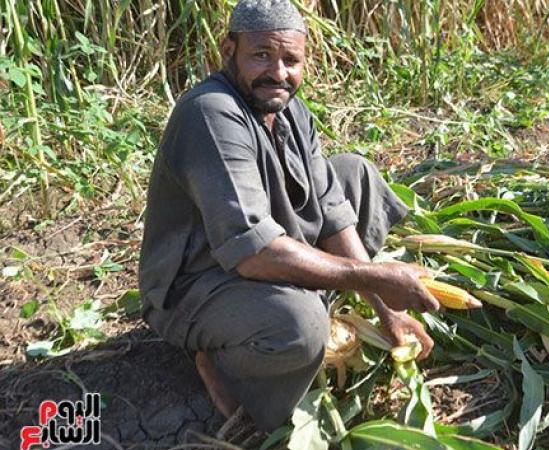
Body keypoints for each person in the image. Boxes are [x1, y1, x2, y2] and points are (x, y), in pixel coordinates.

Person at [138, 0, 439, 433]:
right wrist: (373, 277)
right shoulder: (210, 113)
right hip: (197, 281)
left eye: (290, 60)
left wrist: (385, 312)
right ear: (229, 50)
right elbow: (254, 255)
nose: (277, 72)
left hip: (260, 250)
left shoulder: (288, 109)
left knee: (355, 174)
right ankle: (218, 359)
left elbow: (333, 212)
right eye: (261, 55)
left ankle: (303, 294)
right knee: (299, 326)